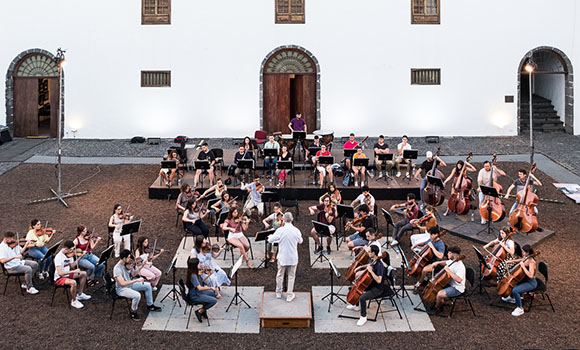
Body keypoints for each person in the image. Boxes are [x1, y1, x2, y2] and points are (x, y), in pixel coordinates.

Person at [346, 244, 390, 326]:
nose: (368, 253)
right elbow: (370, 265)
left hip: (377, 288)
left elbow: (379, 280)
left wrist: (371, 271)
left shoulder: (380, 266)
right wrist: (361, 267)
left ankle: (363, 317)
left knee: (362, 298)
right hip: (371, 283)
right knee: (355, 287)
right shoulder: (372, 259)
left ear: (374, 253)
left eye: (369, 252)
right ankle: (357, 306)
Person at [114, 249, 162, 321]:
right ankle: (133, 312)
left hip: (130, 284)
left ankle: (150, 305)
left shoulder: (127, 264)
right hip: (122, 289)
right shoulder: (117, 268)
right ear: (124, 258)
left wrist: (142, 265)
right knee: (137, 295)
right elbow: (122, 283)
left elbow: (133, 274)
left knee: (147, 286)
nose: (130, 259)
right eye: (128, 257)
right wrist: (136, 280)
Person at [268, 212, 303, 302]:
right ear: (292, 219)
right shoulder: (296, 230)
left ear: (283, 219)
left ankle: (278, 293)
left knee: (280, 275)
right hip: (292, 257)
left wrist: (271, 236)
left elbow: (270, 239)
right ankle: (289, 295)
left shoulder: (280, 230)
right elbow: (300, 241)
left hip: (282, 257)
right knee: (291, 276)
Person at [425, 245, 465, 314]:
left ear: (454, 255)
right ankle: (440, 301)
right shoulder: (452, 261)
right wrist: (438, 263)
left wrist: (449, 271)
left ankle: (437, 308)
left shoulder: (460, 266)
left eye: (449, 253)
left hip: (457, 288)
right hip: (449, 283)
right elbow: (446, 262)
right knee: (436, 287)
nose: (447, 254)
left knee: (440, 294)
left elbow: (459, 280)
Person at [500, 245, 538, 317]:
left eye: (523, 251)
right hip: (524, 279)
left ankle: (520, 308)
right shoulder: (526, 257)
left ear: (527, 253)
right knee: (513, 282)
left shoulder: (531, 262)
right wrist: (511, 261)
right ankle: (512, 298)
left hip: (530, 283)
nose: (522, 252)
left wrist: (523, 267)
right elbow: (521, 260)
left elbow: (531, 275)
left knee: (515, 290)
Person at [54, 240, 92, 309]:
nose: (73, 251)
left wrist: (80, 256)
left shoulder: (69, 254)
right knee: (73, 282)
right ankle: (74, 301)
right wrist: (73, 271)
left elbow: (72, 265)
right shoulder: (58, 257)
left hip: (67, 274)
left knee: (84, 274)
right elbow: (60, 273)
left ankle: (80, 294)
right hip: (59, 278)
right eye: (72, 249)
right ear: (66, 249)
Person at [186, 257, 219, 322]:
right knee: (214, 301)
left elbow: (201, 281)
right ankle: (200, 311)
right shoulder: (193, 276)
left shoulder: (194, 273)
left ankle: (204, 308)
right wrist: (210, 287)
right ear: (195, 266)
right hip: (195, 295)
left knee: (212, 293)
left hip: (197, 292)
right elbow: (200, 288)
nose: (200, 265)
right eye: (198, 264)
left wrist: (209, 275)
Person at [477, 160, 507, 224]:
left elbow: (503, 174)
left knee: (493, 203)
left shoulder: (494, 170)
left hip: (493, 188)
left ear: (490, 166)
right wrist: (480, 187)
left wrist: (496, 168)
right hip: (485, 188)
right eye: (485, 166)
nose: (486, 167)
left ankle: (492, 216)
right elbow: (479, 181)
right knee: (481, 202)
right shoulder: (482, 171)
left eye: (488, 166)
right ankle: (483, 217)